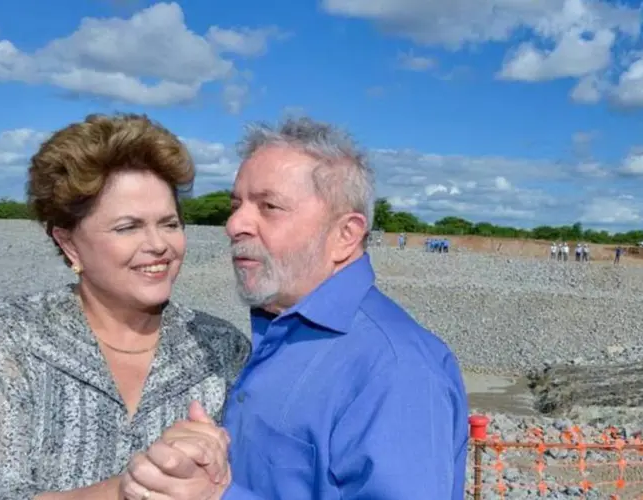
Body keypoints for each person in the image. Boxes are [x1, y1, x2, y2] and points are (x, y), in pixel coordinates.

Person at [178, 116, 467, 500]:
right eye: (236, 204)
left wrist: (216, 497)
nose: (234, 224)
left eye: (269, 206)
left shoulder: (396, 369)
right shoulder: (277, 327)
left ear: (345, 235)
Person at [0, 113, 250, 499]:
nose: (158, 245)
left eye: (169, 224)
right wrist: (127, 491)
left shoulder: (221, 347)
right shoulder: (2, 337)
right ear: (69, 243)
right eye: (128, 227)